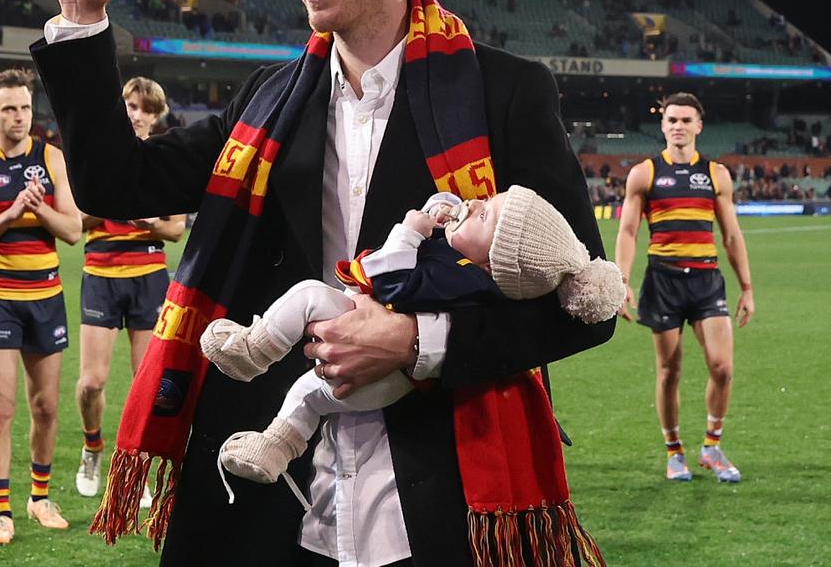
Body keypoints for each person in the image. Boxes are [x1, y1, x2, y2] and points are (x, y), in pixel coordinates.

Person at [31, 0, 614, 567]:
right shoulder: (267, 101)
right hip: (273, 485)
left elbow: (581, 302)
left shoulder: (506, 94)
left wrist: (417, 344)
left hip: (444, 486)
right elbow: (121, 186)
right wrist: (82, 19)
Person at [204, 187, 621, 502]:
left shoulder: (463, 278)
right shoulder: (470, 272)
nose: (474, 205)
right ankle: (275, 446)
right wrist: (444, 209)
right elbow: (451, 227)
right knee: (311, 395)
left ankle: (252, 351)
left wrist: (410, 230)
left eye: (484, 216)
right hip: (393, 378)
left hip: (389, 376)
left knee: (309, 296)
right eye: (487, 200)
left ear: (493, 263)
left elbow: (392, 281)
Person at [0, 69, 81, 546]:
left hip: (46, 299)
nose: (18, 116)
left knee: (45, 407)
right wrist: (7, 215)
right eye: (8, 108)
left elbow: (72, 230)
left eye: (24, 107)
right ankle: (2, 510)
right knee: (2, 409)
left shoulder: (52, 159)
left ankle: (40, 497)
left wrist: (38, 208)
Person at [615, 92, 754, 484]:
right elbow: (628, 230)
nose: (678, 126)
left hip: (708, 280)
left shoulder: (716, 174)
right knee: (669, 371)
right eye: (671, 119)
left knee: (723, 368)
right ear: (662, 125)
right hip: (664, 280)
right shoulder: (644, 172)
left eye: (685, 120)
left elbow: (731, 234)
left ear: (699, 126)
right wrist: (621, 280)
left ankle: (711, 446)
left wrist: (747, 286)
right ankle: (675, 451)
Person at [74, 77, 187, 501]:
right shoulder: (94, 157)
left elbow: (175, 228)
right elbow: (75, 220)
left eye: (142, 108)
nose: (134, 113)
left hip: (149, 276)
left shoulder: (164, 160)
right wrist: (110, 200)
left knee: (147, 383)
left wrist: (147, 222)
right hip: (101, 274)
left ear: (155, 115)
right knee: (91, 383)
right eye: (128, 105)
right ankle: (92, 446)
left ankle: (137, 465)